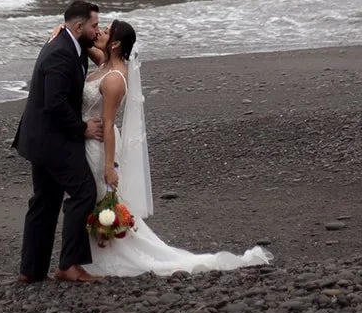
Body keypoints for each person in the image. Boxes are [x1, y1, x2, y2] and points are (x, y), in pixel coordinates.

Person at [82, 19, 271, 278]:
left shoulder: (115, 77)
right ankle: (93, 251)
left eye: (105, 31)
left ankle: (106, 252)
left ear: (115, 43)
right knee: (94, 198)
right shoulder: (105, 63)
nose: (99, 32)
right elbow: (86, 47)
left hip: (101, 143)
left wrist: (109, 165)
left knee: (101, 196)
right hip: (90, 139)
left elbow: (109, 122)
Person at [12, 0, 104, 284]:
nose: (97, 30)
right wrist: (83, 129)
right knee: (83, 192)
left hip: (41, 137)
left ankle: (32, 270)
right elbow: (54, 103)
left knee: (46, 200)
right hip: (51, 139)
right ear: (79, 26)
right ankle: (69, 266)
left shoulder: (71, 43)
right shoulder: (60, 53)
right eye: (94, 25)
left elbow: (102, 54)